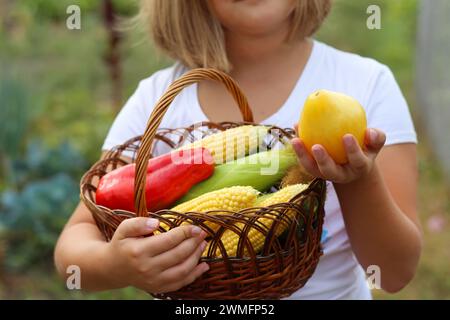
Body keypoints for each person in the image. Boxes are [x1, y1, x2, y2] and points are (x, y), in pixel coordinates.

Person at [54, 0, 422, 299]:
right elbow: (72, 252)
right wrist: (114, 265)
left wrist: (358, 178)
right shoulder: (155, 99)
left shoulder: (365, 85)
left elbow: (394, 273)